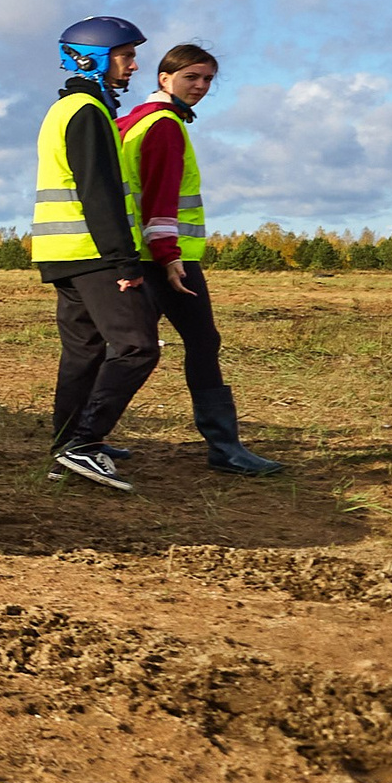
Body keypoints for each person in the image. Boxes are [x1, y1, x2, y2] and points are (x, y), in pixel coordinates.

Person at [117, 44, 285, 476]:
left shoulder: (132, 121)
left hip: (138, 254)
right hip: (166, 257)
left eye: (208, 79)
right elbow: (160, 196)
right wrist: (169, 256)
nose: (201, 86)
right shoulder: (164, 124)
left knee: (129, 347)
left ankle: (83, 435)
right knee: (201, 342)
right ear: (164, 78)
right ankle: (224, 447)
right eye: (191, 76)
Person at [31, 17, 161, 492]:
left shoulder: (68, 108)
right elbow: (99, 192)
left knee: (84, 353)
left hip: (64, 253)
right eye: (126, 56)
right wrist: (124, 260)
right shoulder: (87, 111)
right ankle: (83, 444)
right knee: (137, 347)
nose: (134, 65)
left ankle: (67, 445)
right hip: (93, 253)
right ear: (92, 59)